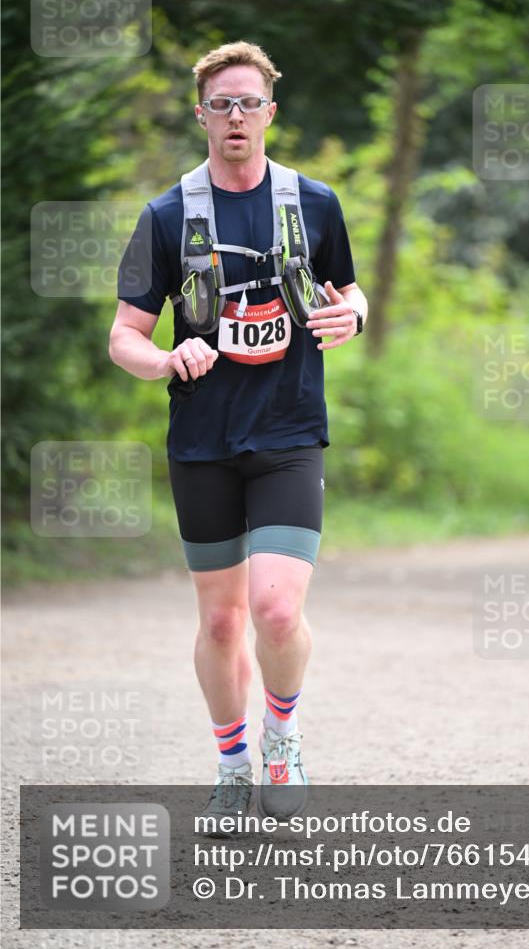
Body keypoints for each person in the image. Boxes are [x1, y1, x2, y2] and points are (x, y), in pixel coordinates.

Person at [110, 41, 367, 819]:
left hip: (288, 431)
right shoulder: (164, 216)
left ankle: (280, 745)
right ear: (200, 116)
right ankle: (231, 768)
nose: (235, 117)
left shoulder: (313, 204)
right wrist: (164, 359)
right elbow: (123, 335)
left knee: (277, 609)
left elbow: (351, 294)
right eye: (220, 104)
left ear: (269, 113)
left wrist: (350, 316)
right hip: (203, 442)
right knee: (221, 620)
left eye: (248, 102)